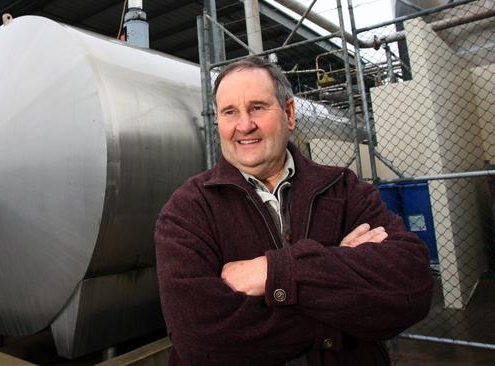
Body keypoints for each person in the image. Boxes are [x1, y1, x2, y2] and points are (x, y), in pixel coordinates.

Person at [154, 56, 433, 365]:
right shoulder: (188, 209)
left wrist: (271, 272)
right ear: (218, 121)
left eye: (258, 107)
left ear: (288, 113)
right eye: (230, 112)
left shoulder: (343, 188)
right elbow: (199, 338)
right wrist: (339, 284)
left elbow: (413, 284)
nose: (245, 125)